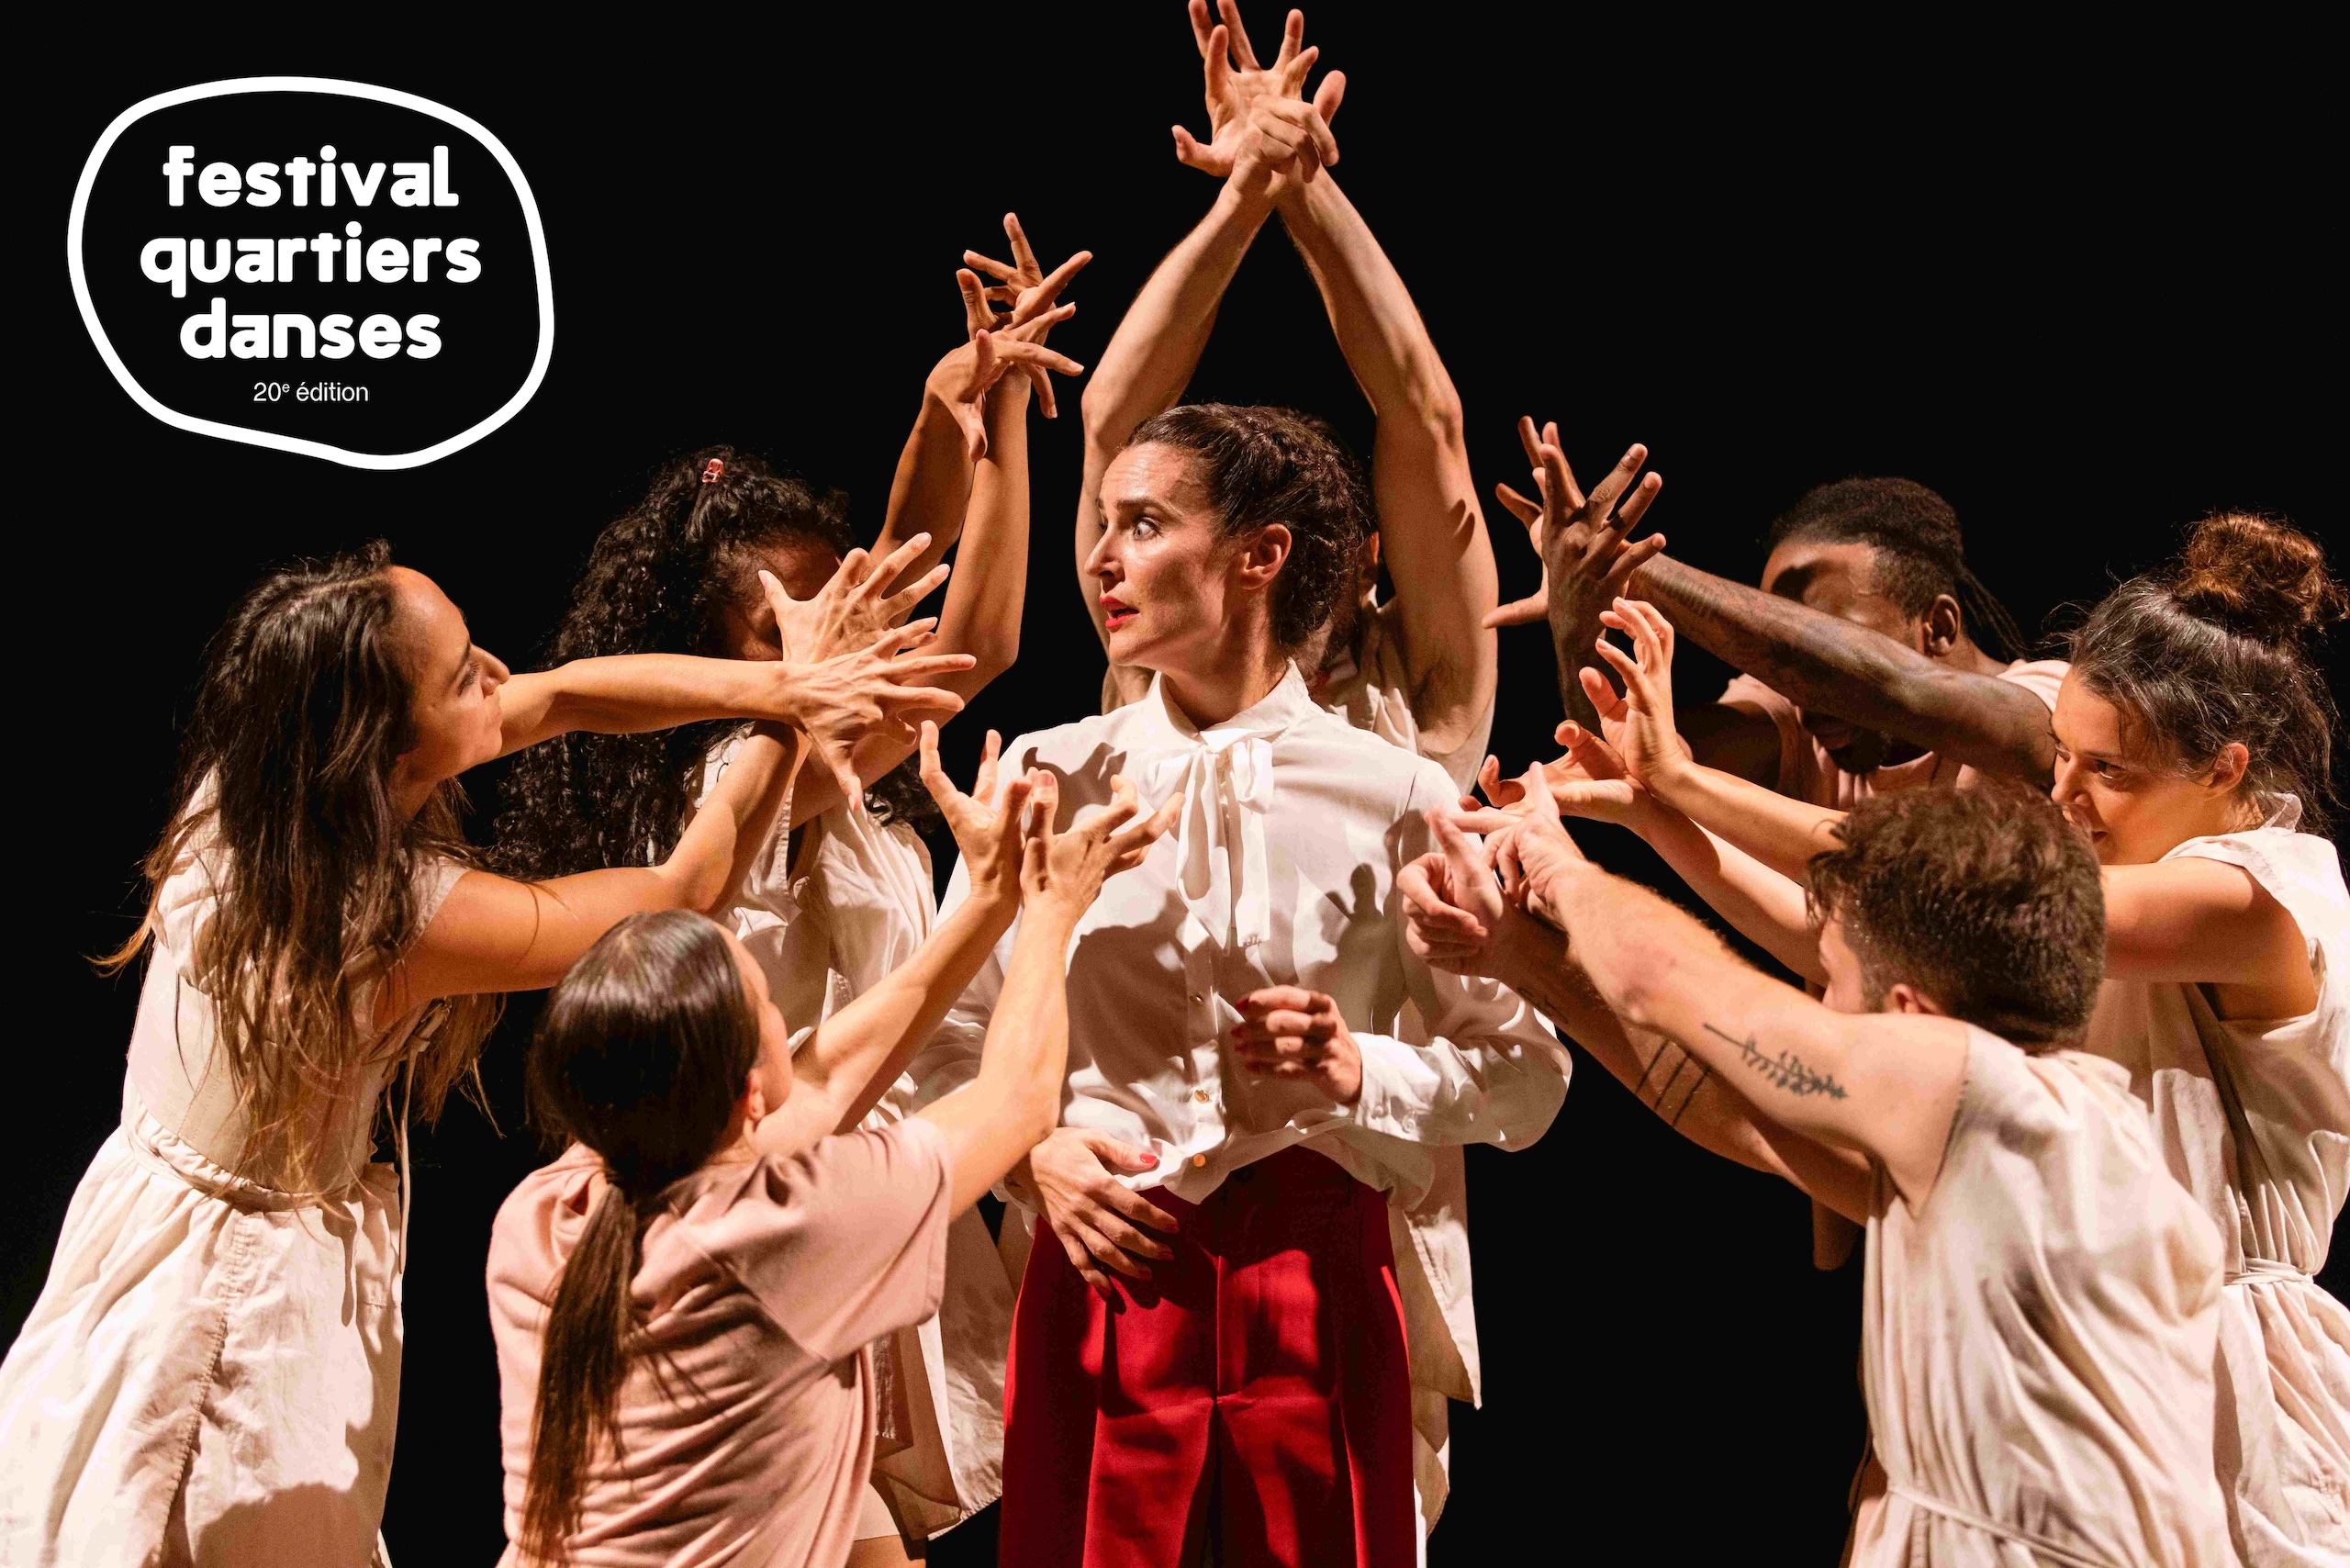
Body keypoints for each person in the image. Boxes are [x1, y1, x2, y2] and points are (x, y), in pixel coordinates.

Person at [0, 543, 968, 1568]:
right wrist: (790, 716)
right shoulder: (372, 917)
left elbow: (559, 697)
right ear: (386, 743)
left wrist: (781, 679)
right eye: (464, 675)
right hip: (230, 1292)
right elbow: (684, 893)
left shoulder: (256, 790)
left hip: (147, 1215)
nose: (500, 673)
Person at [904, 291, 1569, 1562]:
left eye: (1144, 525)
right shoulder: (1046, 772)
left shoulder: (1396, 789)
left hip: (1316, 1278)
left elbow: (1528, 1079)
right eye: (1101, 527)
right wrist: (1035, 1153)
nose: (1103, 558)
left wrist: (1358, 1067)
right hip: (1106, 1268)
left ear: (1259, 556)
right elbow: (939, 1045)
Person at [1551, 513, 2350, 1563]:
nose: (2063, 794)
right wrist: (1660, 821)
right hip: (2045, 1320)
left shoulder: (2274, 894)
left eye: (2106, 771)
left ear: (2223, 767)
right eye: (2061, 756)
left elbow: (1935, 888)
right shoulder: (2100, 893)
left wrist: (1691, 779)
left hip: (2204, 1364)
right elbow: (1836, 923)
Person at [493, 235, 1084, 1557]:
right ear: (727, 655)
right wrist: (991, 427)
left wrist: (956, 407)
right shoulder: (745, 768)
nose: (849, 633)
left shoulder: (818, 770)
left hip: (811, 1172)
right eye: (797, 624)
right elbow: (973, 637)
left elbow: (906, 567)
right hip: (767, 1224)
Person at [1046, 7, 1513, 1525]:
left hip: (1347, 1235)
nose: (1118, 552)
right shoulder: (1131, 689)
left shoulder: (1417, 725)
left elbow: (1425, 415)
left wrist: (1309, 188)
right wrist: (1238, 192)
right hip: (1132, 1237)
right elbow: (1113, 417)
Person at [1404, 772, 2236, 1566]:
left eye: (1829, 983)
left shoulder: (1983, 1097)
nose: (1816, 1008)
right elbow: (1743, 1113)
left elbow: (1668, 981)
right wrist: (1518, 952)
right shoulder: (2016, 1145)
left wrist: (1561, 873)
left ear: (1911, 1017)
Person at [488, 735, 1174, 1568]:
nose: (792, 1020)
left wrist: (990, 900)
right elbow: (1016, 1099)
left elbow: (832, 1074)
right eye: (767, 1005)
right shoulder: (794, 1227)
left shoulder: (540, 1213)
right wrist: (1051, 908)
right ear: (747, 1092)